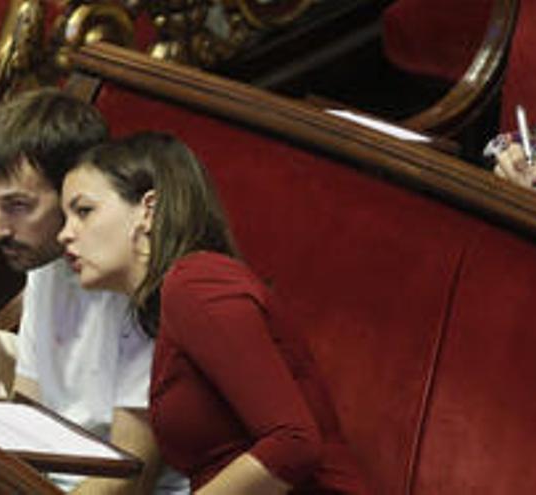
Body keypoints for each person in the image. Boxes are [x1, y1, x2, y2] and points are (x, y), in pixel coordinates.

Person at [58, 132, 367, 494]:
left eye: (83, 211)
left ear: (149, 209)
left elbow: (294, 442)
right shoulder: (172, 299)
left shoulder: (196, 283)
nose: (65, 234)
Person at [0, 89, 187, 494]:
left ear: (75, 191)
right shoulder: (46, 260)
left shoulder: (143, 284)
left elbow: (129, 480)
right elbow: (29, 413)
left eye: (18, 206)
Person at [485, 99, 536, 193]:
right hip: (524, 166)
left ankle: (523, 186)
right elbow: (525, 136)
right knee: (510, 154)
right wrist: (509, 142)